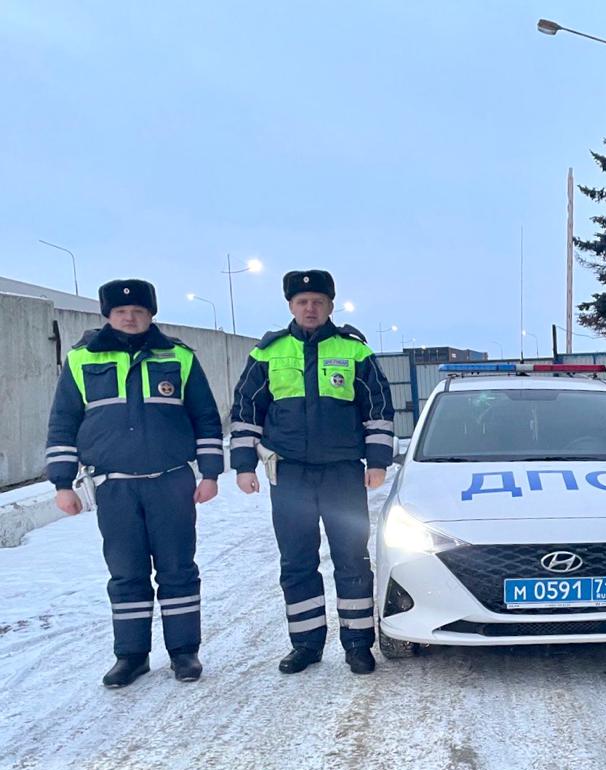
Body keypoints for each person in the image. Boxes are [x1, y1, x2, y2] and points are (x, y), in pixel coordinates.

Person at [45, 279, 224, 687]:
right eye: (122, 311)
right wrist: (62, 483)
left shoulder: (178, 356)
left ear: (151, 314)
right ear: (107, 315)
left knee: (178, 569)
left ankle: (184, 653)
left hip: (171, 482)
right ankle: (131, 656)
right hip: (115, 488)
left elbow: (206, 417)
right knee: (126, 573)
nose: (130, 317)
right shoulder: (81, 360)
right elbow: (63, 423)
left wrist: (211, 473)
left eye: (139, 311)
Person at [230, 269, 394, 676]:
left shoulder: (354, 351)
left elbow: (377, 410)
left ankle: (358, 644)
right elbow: (246, 412)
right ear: (290, 306)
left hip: (342, 474)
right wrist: (243, 466)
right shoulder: (268, 353)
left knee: (352, 559)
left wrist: (377, 462)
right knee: (297, 561)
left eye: (318, 301)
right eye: (302, 302)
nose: (310, 308)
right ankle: (305, 644)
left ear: (330, 306)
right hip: (289, 476)